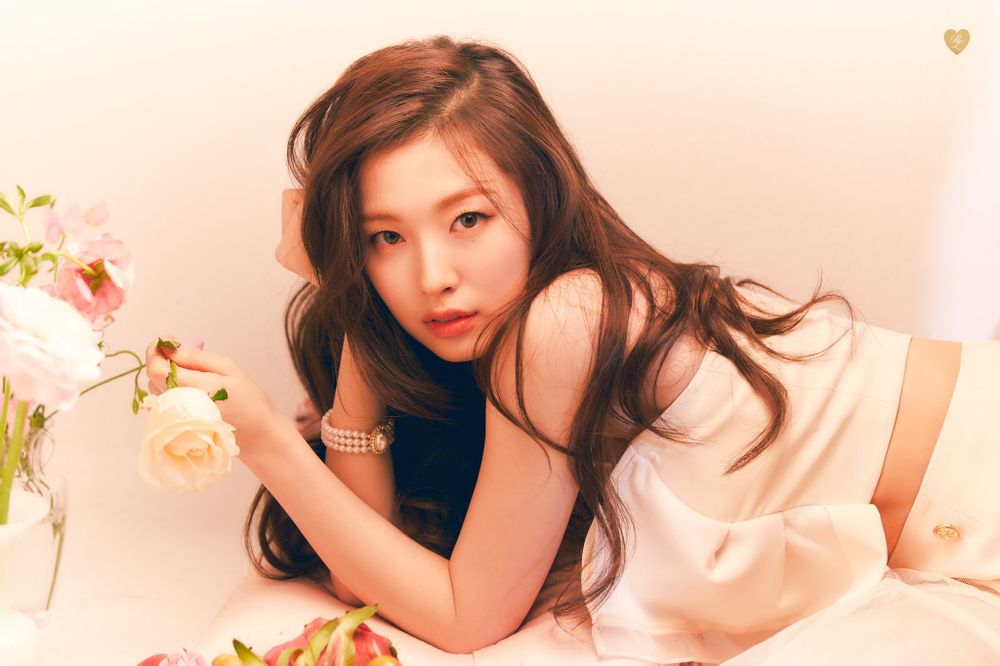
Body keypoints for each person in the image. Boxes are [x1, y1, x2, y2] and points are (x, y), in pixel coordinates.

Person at [144, 36, 1000, 663]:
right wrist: (355, 318)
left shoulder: (563, 321)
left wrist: (265, 440)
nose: (432, 276)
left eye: (467, 219)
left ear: (540, 198)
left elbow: (466, 618)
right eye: (386, 237)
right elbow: (363, 578)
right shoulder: (532, 330)